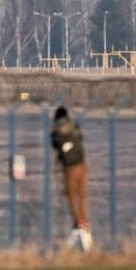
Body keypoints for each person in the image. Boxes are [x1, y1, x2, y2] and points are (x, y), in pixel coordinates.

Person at [50, 106, 91, 251]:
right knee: (83, 194)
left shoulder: (56, 131)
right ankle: (84, 220)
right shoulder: (74, 127)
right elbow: (80, 137)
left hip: (70, 167)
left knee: (70, 194)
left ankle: (79, 220)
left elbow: (55, 144)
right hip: (82, 164)